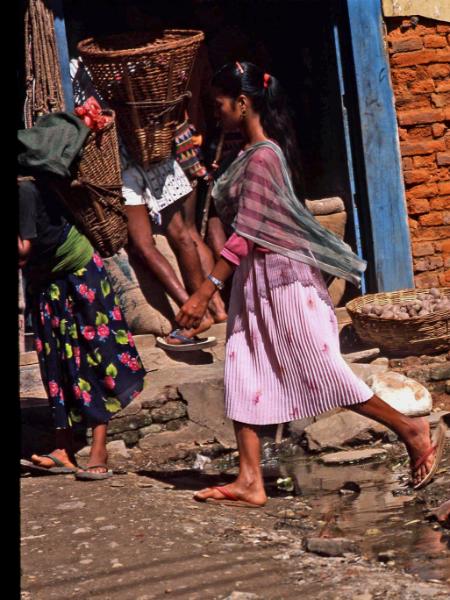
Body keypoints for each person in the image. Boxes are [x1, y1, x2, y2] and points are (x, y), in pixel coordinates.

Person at [175, 61, 447, 506]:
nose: (217, 113)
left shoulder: (264, 157)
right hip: (256, 281)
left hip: (282, 282)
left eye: (220, 104)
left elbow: (247, 233)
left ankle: (411, 428)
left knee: (322, 371)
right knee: (243, 368)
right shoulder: (248, 154)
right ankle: (249, 480)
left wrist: (205, 291)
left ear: (243, 104)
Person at [18, 171, 146, 480]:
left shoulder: (23, 192)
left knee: (93, 355)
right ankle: (63, 449)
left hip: (78, 274)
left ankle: (99, 449)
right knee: (55, 361)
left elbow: (22, 250)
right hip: (45, 279)